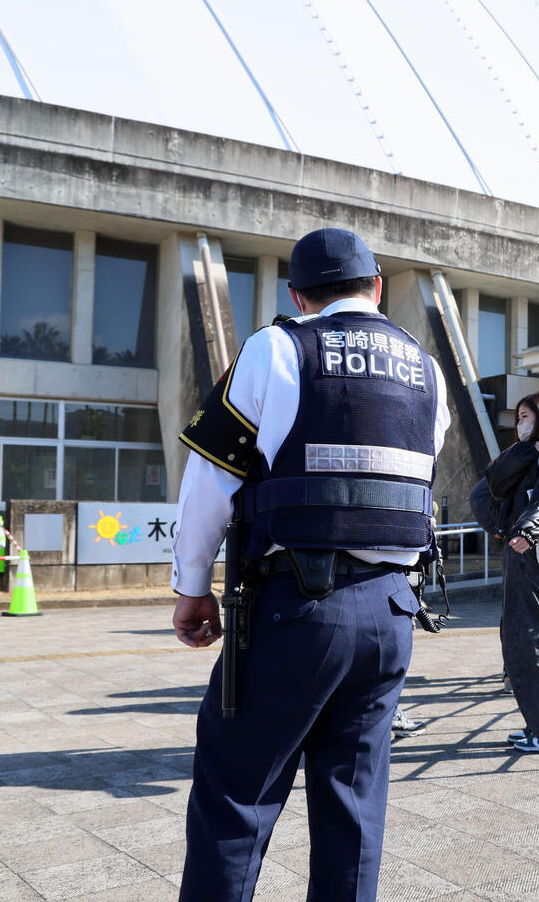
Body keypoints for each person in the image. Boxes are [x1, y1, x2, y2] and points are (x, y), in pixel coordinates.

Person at [171, 227, 449, 902]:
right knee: (353, 811)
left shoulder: (278, 347)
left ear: (298, 293)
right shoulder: (425, 369)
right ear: (376, 287)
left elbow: (209, 479)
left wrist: (191, 587)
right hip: (392, 613)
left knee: (237, 798)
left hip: (297, 609)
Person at [469, 392, 539, 753]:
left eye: (527, 417)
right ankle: (538, 725)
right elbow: (486, 489)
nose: (520, 424)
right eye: (518, 418)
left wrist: (526, 530)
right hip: (519, 551)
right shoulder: (528, 456)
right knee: (518, 638)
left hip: (533, 554)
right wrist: (500, 529)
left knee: (531, 639)